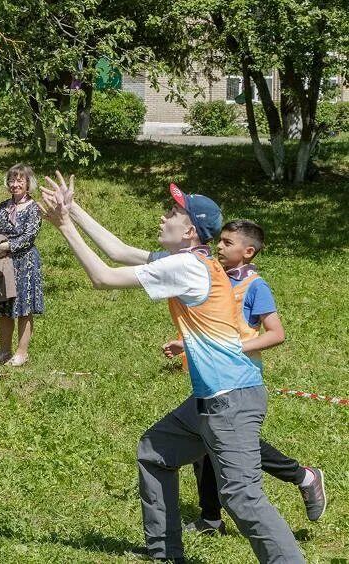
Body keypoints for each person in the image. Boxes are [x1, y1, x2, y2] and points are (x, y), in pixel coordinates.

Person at [39, 173, 303, 563]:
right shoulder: (192, 260)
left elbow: (103, 277)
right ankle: (164, 553)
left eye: (173, 214)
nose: (163, 218)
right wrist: (73, 208)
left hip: (231, 399)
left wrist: (63, 226)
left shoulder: (189, 267)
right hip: (210, 399)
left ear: (189, 231)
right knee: (154, 452)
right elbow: (119, 251)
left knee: (242, 496)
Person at [164, 219, 325, 533]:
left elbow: (276, 333)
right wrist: (184, 343)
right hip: (211, 377)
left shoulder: (255, 286)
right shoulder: (218, 280)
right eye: (219, 241)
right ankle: (211, 519)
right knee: (206, 445)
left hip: (237, 381)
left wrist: (238, 349)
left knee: (232, 446)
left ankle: (304, 476)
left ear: (248, 251)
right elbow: (215, 330)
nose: (219, 247)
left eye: (227, 243)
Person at [0, 164, 43, 366]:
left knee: (24, 308)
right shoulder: (2, 207)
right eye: (12, 180)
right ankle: (4, 351)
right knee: (4, 306)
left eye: (20, 180)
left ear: (28, 183)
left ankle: (22, 352)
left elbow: (29, 236)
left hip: (25, 263)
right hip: (3, 264)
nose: (15, 184)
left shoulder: (34, 208)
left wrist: (6, 246)